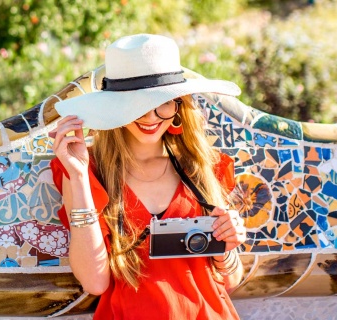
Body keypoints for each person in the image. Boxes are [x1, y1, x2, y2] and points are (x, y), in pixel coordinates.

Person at [50, 34, 247, 320]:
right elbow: (95, 282)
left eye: (163, 103)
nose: (152, 117)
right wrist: (79, 176)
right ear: (115, 107)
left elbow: (229, 280)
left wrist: (225, 247)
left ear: (178, 106)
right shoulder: (87, 172)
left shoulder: (203, 166)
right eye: (137, 105)